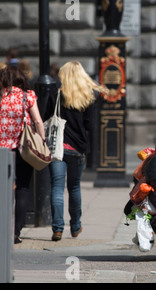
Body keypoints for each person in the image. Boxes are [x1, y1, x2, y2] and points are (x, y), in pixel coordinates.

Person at [44, 61, 108, 241]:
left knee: (56, 187)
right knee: (74, 187)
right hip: (77, 149)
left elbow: (48, 117)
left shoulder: (57, 95)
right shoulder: (88, 97)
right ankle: (75, 226)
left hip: (58, 148)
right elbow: (89, 125)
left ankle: (57, 229)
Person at [0, 65, 46, 244]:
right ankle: (16, 232)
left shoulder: (1, 97)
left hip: (2, 150)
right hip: (23, 149)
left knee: (3, 190)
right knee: (23, 189)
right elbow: (38, 121)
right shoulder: (28, 97)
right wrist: (42, 142)